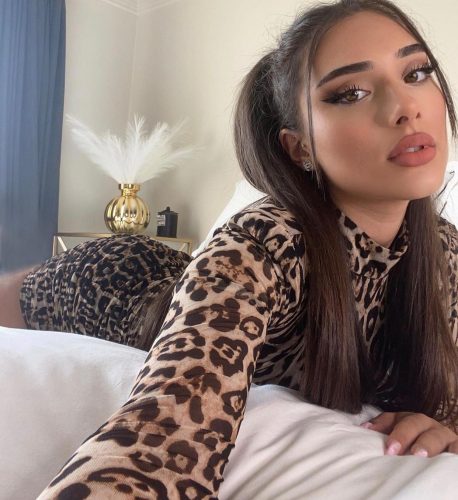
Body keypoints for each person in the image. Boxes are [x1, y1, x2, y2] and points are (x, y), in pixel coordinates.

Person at [37, 0, 458, 498]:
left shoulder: (446, 254)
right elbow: (161, 433)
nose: (406, 106)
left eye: (416, 72)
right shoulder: (261, 244)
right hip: (110, 281)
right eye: (351, 93)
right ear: (300, 148)